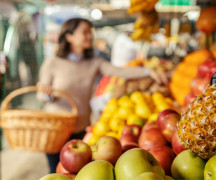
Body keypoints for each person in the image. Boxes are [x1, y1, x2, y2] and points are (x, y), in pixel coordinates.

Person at [37, 18, 168, 173]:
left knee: (73, 174)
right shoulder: (52, 63)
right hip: (55, 129)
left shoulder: (94, 62)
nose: (90, 36)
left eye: (90, 32)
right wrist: (47, 94)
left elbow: (121, 71)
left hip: (80, 129)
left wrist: (148, 71)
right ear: (69, 36)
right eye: (85, 32)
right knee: (55, 172)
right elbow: (41, 95)